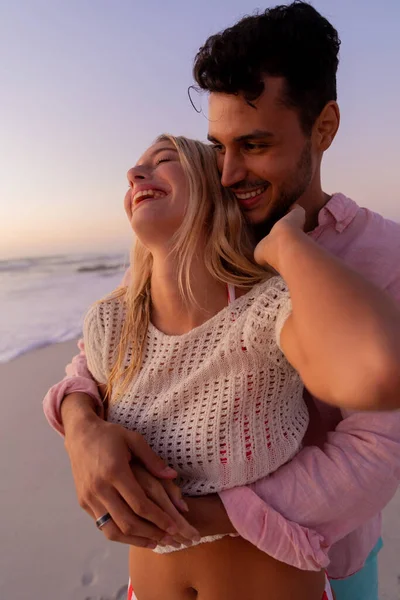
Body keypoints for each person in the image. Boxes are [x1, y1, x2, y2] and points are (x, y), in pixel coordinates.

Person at [43, 3, 400, 600]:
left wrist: (203, 517)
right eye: (217, 148)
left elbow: (376, 447)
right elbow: (114, 352)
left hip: (331, 562)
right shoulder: (207, 230)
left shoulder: (382, 253)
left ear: (324, 127)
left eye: (254, 145)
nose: (230, 173)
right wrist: (81, 429)